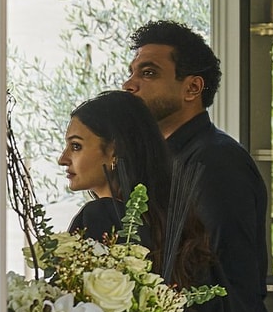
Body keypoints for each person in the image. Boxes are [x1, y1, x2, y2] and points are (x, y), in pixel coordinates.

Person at [122, 20, 273, 312]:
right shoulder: (163, 162)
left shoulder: (216, 161)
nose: (131, 85)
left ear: (192, 88)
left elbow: (221, 279)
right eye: (131, 73)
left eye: (148, 73)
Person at [59, 89, 210, 287]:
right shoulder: (169, 222)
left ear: (114, 151)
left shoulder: (101, 215)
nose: (63, 159)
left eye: (76, 146)